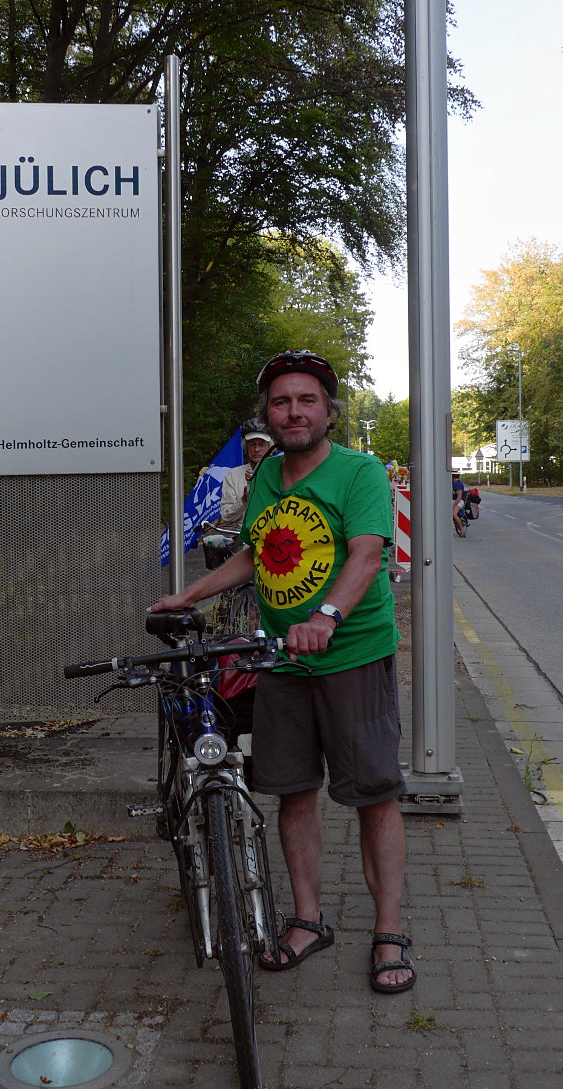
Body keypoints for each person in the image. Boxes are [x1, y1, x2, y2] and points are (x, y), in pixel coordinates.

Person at [149, 348, 415, 993]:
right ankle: (307, 919)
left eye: (306, 400)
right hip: (281, 660)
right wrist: (191, 593)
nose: (293, 411)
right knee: (293, 789)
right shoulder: (268, 474)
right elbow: (254, 554)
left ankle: (388, 932)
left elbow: (366, 555)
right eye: (280, 401)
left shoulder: (359, 473)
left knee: (372, 796)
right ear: (267, 414)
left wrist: (325, 616)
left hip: (351, 655)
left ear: (328, 411)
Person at [219, 419, 273, 529]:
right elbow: (226, 516)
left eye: (261, 444)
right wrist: (244, 500)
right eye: (252, 444)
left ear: (270, 447)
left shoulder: (282, 471)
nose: (257, 449)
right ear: (245, 447)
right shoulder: (233, 475)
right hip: (242, 538)